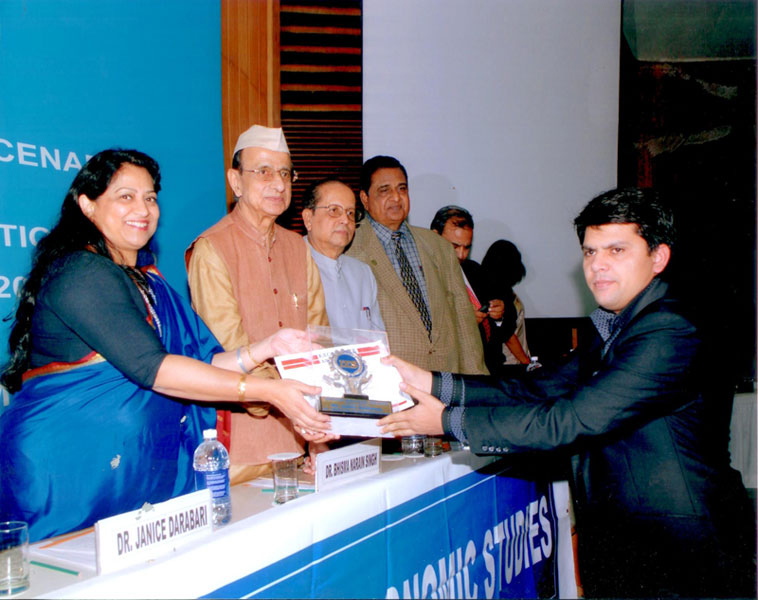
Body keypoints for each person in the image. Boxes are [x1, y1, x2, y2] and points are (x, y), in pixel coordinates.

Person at [379, 187, 755, 598]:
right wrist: (433, 382)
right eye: (590, 252)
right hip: (626, 548)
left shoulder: (669, 328)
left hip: (684, 556)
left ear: (658, 257)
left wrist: (446, 420)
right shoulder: (614, 324)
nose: (598, 265)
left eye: (616, 250)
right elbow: (537, 386)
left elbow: (573, 419)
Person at [0, 149, 330, 542]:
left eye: (150, 198)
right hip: (66, 477)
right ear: (87, 204)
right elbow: (155, 369)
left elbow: (201, 362)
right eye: (125, 196)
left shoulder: (147, 279)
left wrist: (266, 347)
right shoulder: (80, 273)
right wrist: (270, 391)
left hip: (127, 477)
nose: (142, 209)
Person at [186, 125, 330, 483]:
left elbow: (319, 340)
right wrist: (292, 403)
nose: (278, 184)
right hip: (239, 450)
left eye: (285, 173)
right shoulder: (212, 249)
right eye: (264, 172)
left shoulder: (298, 248)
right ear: (235, 181)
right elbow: (227, 350)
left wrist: (319, 433)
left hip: (298, 443)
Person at [346, 156, 486, 374]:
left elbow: (463, 320)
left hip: (446, 376)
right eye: (384, 190)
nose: (396, 197)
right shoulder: (350, 249)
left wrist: (477, 381)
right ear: (365, 198)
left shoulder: (438, 246)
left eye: (402, 188)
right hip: (389, 377)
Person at [430, 205, 517, 375]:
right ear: (435, 236)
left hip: (490, 369)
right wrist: (464, 321)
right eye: (454, 246)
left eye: (467, 247)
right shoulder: (425, 276)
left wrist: (500, 314)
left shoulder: (475, 271)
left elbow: (508, 325)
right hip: (452, 372)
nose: (461, 255)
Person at [302, 178, 385, 331]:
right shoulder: (289, 266)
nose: (345, 220)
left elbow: (376, 336)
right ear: (308, 218)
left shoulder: (362, 273)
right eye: (334, 210)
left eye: (350, 213)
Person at [481, 239, 531, 366]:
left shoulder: (505, 291)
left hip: (516, 361)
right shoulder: (495, 295)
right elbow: (507, 335)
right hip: (509, 364)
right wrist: (527, 362)